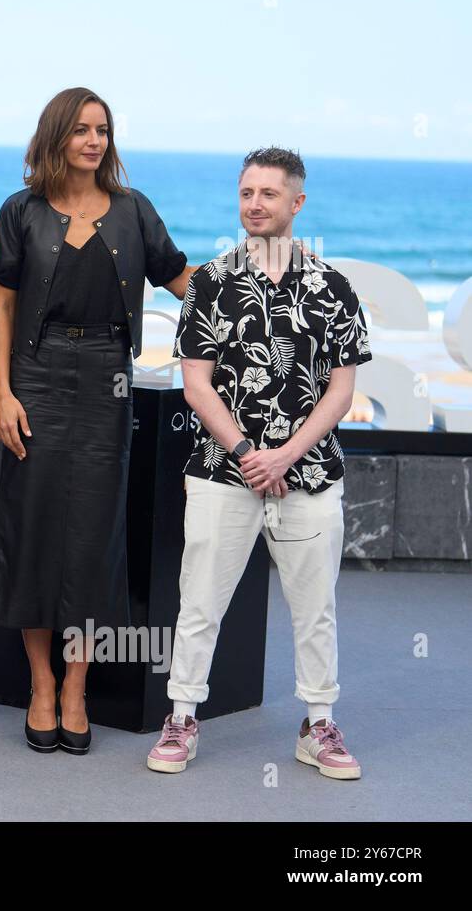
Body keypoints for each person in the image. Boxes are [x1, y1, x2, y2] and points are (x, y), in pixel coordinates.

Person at [0, 87, 197, 755]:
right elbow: (2, 308)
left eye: (102, 130)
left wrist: (257, 285)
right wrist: (4, 395)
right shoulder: (20, 211)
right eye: (80, 129)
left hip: (107, 379)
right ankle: (41, 685)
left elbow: (180, 277)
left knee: (92, 541)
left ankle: (77, 686)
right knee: (34, 534)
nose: (94, 140)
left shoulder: (134, 212)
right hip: (39, 377)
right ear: (56, 137)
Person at [147, 147, 369, 779]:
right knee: (199, 602)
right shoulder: (210, 283)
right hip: (222, 472)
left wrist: (286, 456)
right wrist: (247, 453)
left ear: (296, 203)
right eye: (247, 192)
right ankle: (182, 717)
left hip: (311, 473)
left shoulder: (335, 288)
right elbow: (196, 384)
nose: (254, 205)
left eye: (269, 194)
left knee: (314, 605)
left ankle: (318, 723)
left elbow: (341, 390)